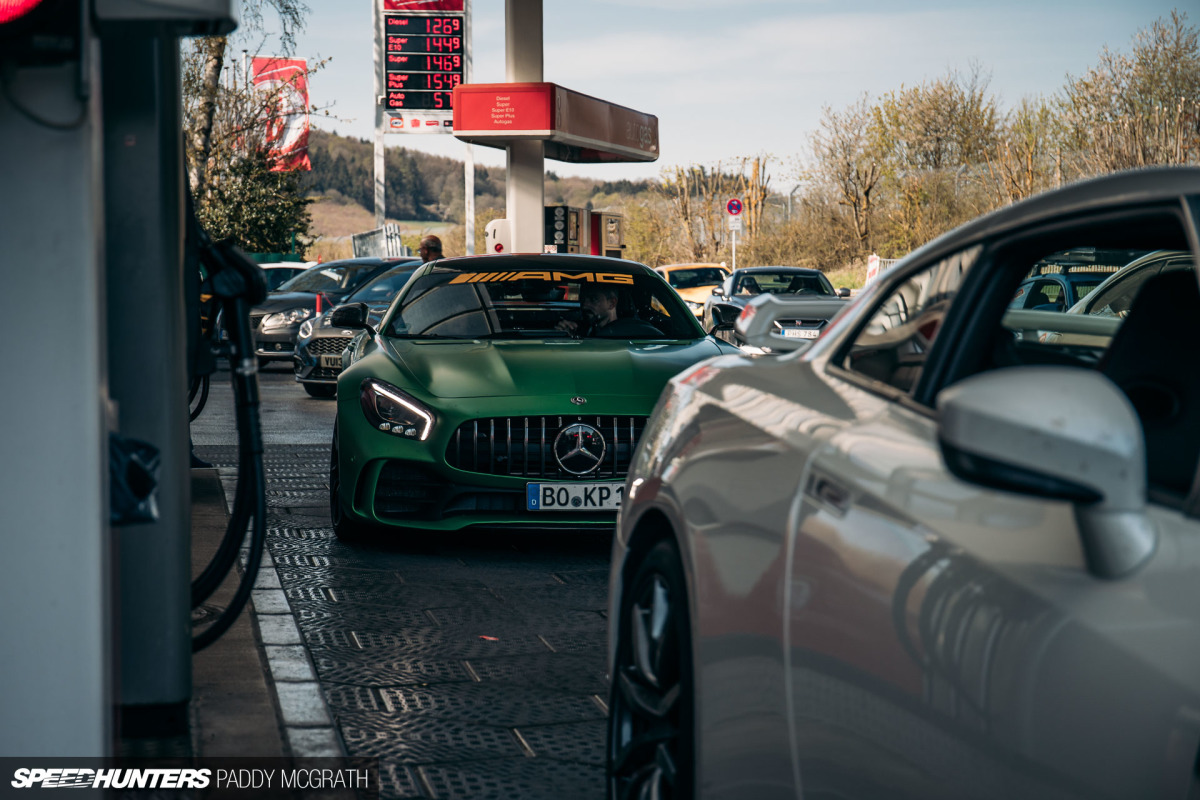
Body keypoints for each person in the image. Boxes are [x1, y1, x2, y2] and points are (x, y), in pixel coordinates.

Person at [557, 284, 661, 337]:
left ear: (612, 303)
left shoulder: (639, 332)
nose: (584, 305)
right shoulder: (579, 330)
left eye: (593, 299)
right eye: (583, 299)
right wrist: (564, 337)